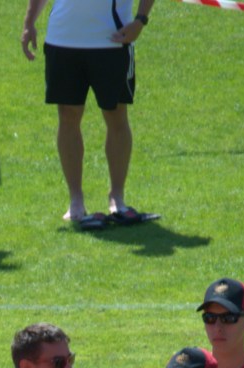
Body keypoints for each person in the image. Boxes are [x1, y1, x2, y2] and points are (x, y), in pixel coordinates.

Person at [20, 0, 156, 230]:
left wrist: (140, 20)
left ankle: (117, 197)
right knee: (68, 116)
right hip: (63, 38)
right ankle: (76, 200)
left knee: (116, 116)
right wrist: (29, 22)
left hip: (113, 40)